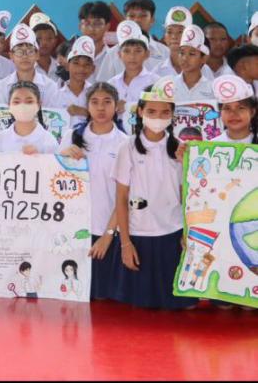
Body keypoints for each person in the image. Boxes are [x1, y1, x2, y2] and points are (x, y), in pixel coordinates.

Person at [111, 77, 198, 310]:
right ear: (140, 112)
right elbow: (121, 198)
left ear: (172, 115)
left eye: (164, 112)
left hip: (172, 234)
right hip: (139, 234)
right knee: (140, 310)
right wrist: (125, 243)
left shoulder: (181, 148)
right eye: (151, 111)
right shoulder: (127, 147)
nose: (158, 118)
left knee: (182, 307)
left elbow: (188, 196)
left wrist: (187, 233)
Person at [60, 83, 127, 300]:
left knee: (103, 300)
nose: (101, 108)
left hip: (108, 230)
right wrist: (62, 156)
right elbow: (53, 179)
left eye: (107, 102)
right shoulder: (71, 136)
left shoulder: (125, 143)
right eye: (95, 102)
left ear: (116, 106)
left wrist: (108, 236)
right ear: (87, 106)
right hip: (73, 228)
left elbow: (125, 196)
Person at [95, 0, 168, 81]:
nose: (137, 20)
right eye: (132, 16)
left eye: (143, 16)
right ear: (125, 19)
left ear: (152, 20)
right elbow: (103, 85)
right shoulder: (113, 54)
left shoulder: (164, 52)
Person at [0, 24, 60, 108]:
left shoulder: (50, 87)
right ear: (11, 56)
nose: (25, 56)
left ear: (37, 55)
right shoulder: (2, 87)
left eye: (30, 51)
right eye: (19, 52)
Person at [0, 81, 59, 154]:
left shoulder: (49, 142)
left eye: (29, 102)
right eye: (16, 102)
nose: (23, 107)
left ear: (38, 105)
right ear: (9, 106)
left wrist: (39, 157)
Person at [107, 22, 158, 123]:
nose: (132, 56)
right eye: (126, 51)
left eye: (138, 51)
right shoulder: (111, 84)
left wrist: (127, 106)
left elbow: (160, 109)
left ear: (147, 54)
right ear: (119, 54)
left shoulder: (156, 82)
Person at [153, 6, 212, 80]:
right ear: (164, 37)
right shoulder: (157, 72)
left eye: (180, 32)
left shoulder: (204, 70)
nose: (174, 36)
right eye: (169, 32)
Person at [55, 36, 96, 127]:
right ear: (67, 66)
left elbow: (105, 119)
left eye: (87, 64)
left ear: (93, 69)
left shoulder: (96, 93)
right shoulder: (56, 94)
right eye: (76, 63)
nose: (81, 68)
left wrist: (83, 112)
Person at [172, 25, 214, 103]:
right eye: (182, 53)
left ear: (204, 58)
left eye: (191, 54)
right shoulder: (169, 86)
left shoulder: (212, 89)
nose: (184, 58)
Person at [211, 75, 257, 143]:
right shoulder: (211, 146)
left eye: (240, 108)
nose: (233, 114)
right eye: (227, 108)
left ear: (252, 112)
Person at [77, 1, 112, 72]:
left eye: (97, 24)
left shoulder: (113, 57)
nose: (91, 28)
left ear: (107, 26)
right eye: (87, 24)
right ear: (80, 26)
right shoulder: (71, 56)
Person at [30, 12, 61, 82]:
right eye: (39, 38)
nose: (44, 42)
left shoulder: (62, 68)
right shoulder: (25, 68)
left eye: (49, 38)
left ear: (55, 41)